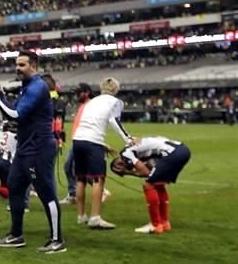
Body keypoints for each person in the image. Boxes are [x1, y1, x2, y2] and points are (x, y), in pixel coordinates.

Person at [0, 50, 66, 254]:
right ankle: (16, 235)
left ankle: (57, 239)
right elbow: (14, 113)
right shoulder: (27, 87)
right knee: (15, 187)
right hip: (25, 147)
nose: (17, 68)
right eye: (17, 64)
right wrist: (1, 98)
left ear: (34, 66)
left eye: (22, 65)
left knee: (46, 191)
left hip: (38, 148)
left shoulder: (37, 86)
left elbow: (16, 114)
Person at [72, 77, 132, 229]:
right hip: (93, 142)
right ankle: (95, 217)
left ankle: (81, 215)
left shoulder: (92, 101)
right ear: (116, 89)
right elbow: (114, 121)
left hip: (78, 139)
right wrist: (128, 139)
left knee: (80, 179)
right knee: (98, 179)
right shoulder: (116, 102)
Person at [111, 137, 191, 234]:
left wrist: (128, 172)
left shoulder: (126, 154)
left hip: (172, 154)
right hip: (183, 150)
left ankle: (155, 225)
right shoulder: (134, 149)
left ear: (119, 163)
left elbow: (145, 173)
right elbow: (149, 168)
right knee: (158, 185)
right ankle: (164, 223)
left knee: (148, 185)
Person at [60, 83, 92, 205]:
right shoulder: (83, 106)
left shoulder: (90, 106)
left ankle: (99, 188)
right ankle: (73, 194)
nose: (76, 95)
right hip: (77, 140)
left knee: (72, 167)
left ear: (87, 92)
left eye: (78, 92)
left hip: (83, 140)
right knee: (72, 167)